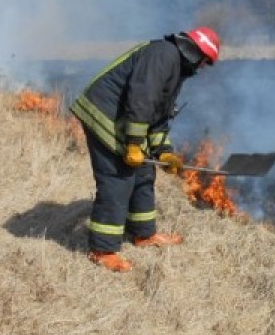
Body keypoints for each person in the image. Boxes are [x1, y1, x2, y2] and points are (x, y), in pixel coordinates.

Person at [70, 26, 221, 272]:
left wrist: (163, 151)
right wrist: (133, 144)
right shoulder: (163, 55)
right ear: (197, 53)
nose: (203, 68)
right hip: (104, 115)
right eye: (205, 62)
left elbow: (158, 116)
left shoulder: (176, 69)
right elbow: (141, 100)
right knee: (117, 180)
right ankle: (103, 250)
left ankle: (143, 235)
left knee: (143, 174)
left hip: (125, 119)